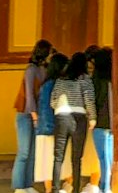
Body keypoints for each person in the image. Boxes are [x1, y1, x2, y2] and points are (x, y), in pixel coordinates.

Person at [51, 51, 97, 193]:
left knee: (58, 156)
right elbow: (89, 99)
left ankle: (55, 188)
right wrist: (92, 117)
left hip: (61, 117)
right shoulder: (85, 79)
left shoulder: (60, 80)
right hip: (79, 118)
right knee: (77, 157)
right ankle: (76, 188)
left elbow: (53, 100)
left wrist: (59, 108)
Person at [14, 37, 52, 193]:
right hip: (25, 114)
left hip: (38, 114)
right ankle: (18, 186)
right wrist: (35, 116)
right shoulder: (31, 69)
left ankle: (28, 185)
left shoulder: (46, 69)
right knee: (24, 151)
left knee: (33, 152)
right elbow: (29, 94)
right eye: (49, 52)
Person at [34, 52, 69, 192]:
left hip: (43, 127)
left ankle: (49, 189)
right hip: (55, 127)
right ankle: (65, 187)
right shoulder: (59, 84)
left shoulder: (45, 85)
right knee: (61, 160)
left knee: (45, 162)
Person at [89, 46, 114, 193]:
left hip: (100, 123)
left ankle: (105, 187)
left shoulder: (96, 80)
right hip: (112, 123)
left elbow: (93, 101)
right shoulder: (114, 78)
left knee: (103, 158)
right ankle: (108, 186)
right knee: (109, 158)